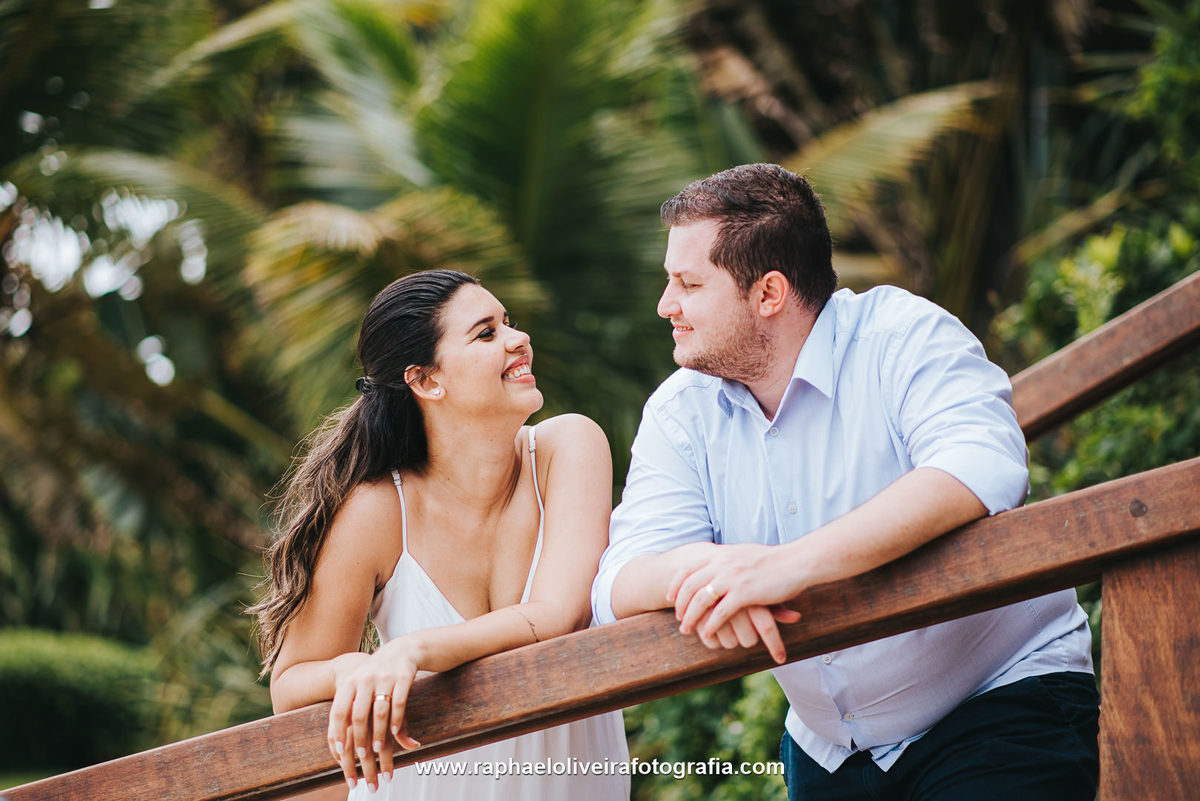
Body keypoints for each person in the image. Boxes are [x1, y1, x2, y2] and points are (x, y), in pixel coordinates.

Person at [591, 164, 1099, 800]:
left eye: (689, 284)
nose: (666, 306)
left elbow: (980, 465)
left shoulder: (902, 335)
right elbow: (618, 580)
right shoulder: (679, 412)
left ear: (768, 293)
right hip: (827, 751)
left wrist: (788, 566)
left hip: (998, 703)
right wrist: (711, 571)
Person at [253, 269, 629, 801]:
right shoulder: (378, 510)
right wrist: (361, 669)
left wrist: (410, 652)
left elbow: (557, 614)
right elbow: (290, 684)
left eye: (509, 323)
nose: (518, 339)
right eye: (486, 333)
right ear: (427, 381)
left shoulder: (568, 447)